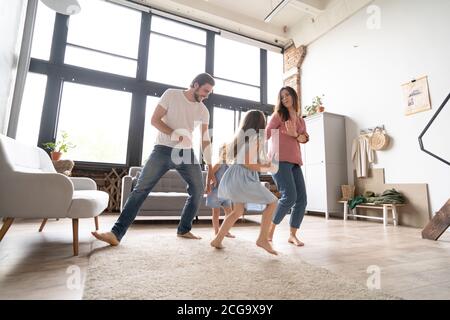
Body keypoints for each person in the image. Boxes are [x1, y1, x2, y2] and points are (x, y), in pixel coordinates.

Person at [92, 73, 216, 245]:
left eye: (209, 93)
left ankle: (184, 229)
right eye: (205, 91)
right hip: (162, 150)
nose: (206, 95)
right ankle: (116, 234)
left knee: (197, 190)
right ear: (195, 84)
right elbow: (155, 120)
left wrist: (210, 168)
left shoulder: (203, 110)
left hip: (186, 153)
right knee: (141, 189)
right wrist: (176, 135)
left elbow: (205, 139)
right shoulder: (171, 95)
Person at [210, 110, 279, 255]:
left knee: (237, 211)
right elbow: (248, 163)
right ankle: (262, 239)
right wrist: (266, 166)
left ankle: (217, 239)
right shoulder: (256, 138)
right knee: (273, 202)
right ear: (261, 123)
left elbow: (246, 160)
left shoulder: (241, 139)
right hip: (243, 178)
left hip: (233, 177)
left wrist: (264, 161)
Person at [265, 86, 309, 247]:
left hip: (295, 162)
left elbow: (304, 138)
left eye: (287, 95)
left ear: (293, 96)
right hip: (279, 161)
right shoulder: (279, 115)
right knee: (289, 196)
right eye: (282, 97)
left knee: (302, 200)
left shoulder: (300, 120)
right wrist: (250, 145)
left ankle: (292, 235)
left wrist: (295, 135)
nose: (285, 98)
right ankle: (268, 231)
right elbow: (267, 132)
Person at [206, 144, 234, 238]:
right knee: (216, 213)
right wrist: (212, 180)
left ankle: (225, 231)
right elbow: (210, 173)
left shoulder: (230, 165)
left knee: (229, 213)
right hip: (216, 192)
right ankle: (216, 231)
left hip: (226, 193)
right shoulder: (219, 163)